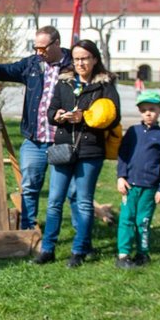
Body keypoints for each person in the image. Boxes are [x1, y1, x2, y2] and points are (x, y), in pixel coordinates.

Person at [0, 25, 72, 229]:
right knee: (28, 187)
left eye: (43, 48)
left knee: (63, 192)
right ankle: (27, 230)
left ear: (57, 43)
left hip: (62, 140)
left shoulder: (73, 64)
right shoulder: (33, 64)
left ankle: (76, 237)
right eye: (36, 47)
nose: (39, 52)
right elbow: (10, 69)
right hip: (35, 140)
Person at [36, 39, 120, 267]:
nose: (80, 63)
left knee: (83, 202)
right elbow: (50, 111)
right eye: (76, 59)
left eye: (84, 58)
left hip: (90, 150)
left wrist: (84, 117)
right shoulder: (64, 82)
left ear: (94, 59)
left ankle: (79, 250)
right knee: (54, 201)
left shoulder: (105, 86)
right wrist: (59, 115)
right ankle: (47, 249)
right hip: (63, 148)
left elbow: (115, 116)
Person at [115, 90, 160, 268]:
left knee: (143, 221)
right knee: (126, 218)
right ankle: (123, 254)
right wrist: (121, 177)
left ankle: (142, 253)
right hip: (130, 185)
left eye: (152, 109)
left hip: (150, 187)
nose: (148, 113)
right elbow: (123, 155)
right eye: (144, 109)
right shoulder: (133, 132)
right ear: (139, 110)